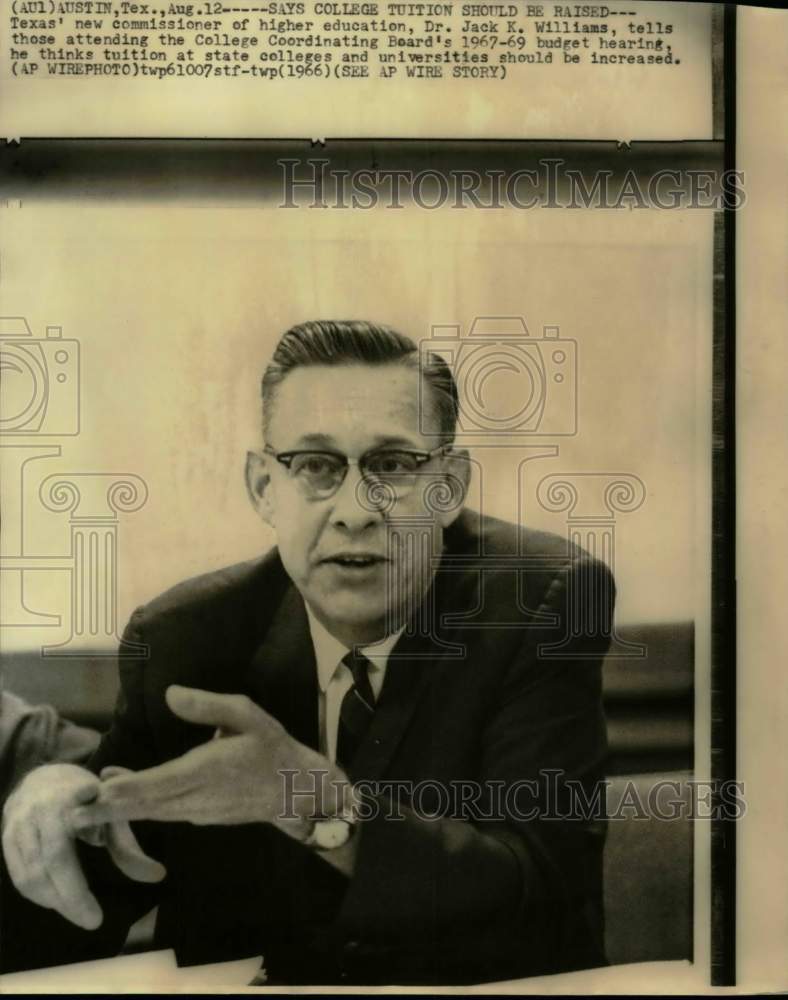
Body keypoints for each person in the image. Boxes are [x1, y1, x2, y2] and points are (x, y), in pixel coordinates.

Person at [1, 320, 614, 985]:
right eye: (317, 466)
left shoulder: (540, 601)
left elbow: (541, 892)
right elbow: (95, 895)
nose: (356, 509)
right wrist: (52, 816)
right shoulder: (187, 638)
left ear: (450, 486)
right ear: (265, 487)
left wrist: (318, 804)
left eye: (393, 464)